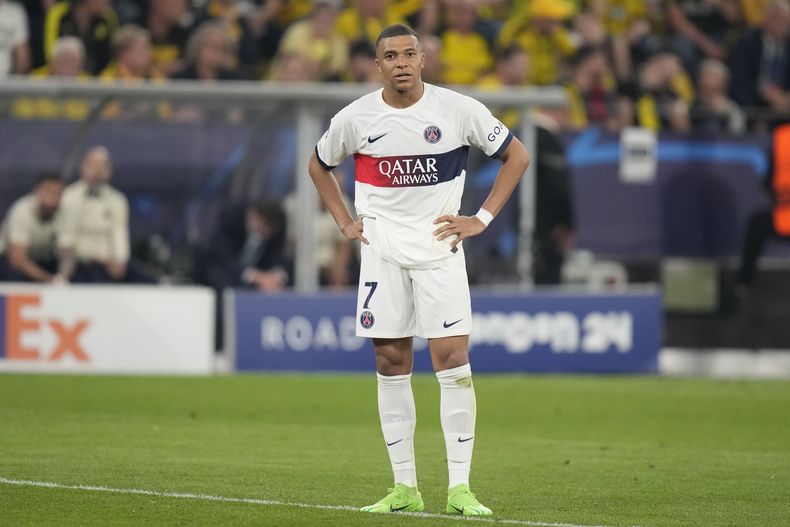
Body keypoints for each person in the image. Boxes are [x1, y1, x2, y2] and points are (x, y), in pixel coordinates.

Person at [308, 24, 529, 516]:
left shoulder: (459, 110)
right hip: (382, 253)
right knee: (391, 362)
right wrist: (345, 221)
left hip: (439, 250)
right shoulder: (356, 117)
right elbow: (319, 165)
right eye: (391, 55)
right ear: (378, 64)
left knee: (452, 360)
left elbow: (517, 155)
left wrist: (482, 218)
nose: (402, 62)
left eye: (410, 53)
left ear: (423, 60)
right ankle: (404, 487)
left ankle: (460, 489)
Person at [60, 146, 134, 283]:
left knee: (141, 280)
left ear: (108, 171)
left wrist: (120, 261)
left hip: (108, 264)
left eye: (102, 166)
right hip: (77, 263)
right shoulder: (69, 196)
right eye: (93, 165)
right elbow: (66, 234)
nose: (97, 171)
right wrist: (66, 267)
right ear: (83, 168)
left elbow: (119, 233)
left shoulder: (117, 200)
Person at [0, 172, 75, 283]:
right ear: (37, 191)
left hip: (44, 259)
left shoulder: (65, 212)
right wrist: (47, 280)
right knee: (14, 273)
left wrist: (62, 278)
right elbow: (17, 259)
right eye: (48, 191)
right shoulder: (22, 210)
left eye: (58, 193)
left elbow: (67, 254)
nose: (53, 197)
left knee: (74, 275)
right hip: (12, 261)